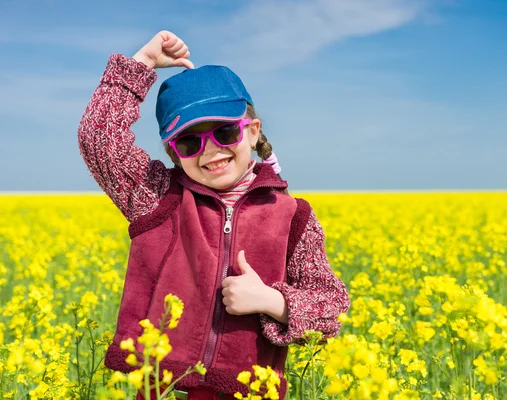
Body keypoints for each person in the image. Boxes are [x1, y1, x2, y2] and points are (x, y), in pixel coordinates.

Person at [78, 30, 350, 400]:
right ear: (174, 153)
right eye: (190, 141)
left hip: (247, 391)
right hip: (164, 387)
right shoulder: (158, 197)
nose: (210, 151)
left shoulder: (292, 216)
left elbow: (330, 306)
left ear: (252, 132)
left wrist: (270, 301)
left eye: (224, 132)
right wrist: (141, 64)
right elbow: (99, 139)